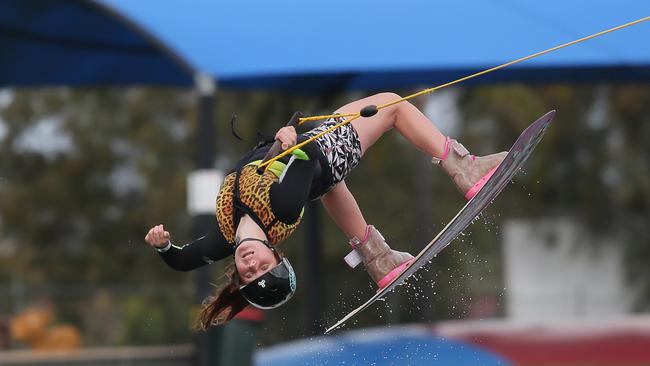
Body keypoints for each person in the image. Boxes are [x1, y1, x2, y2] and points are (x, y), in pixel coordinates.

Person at [144, 93, 506, 329]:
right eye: (263, 268)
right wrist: (291, 140)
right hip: (327, 151)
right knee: (394, 106)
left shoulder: (225, 235)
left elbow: (183, 260)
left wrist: (162, 245)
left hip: (319, 170)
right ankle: (462, 167)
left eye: (248, 274)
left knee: (331, 187)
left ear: (237, 276)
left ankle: (376, 256)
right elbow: (308, 162)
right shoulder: (282, 210)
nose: (252, 264)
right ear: (275, 254)